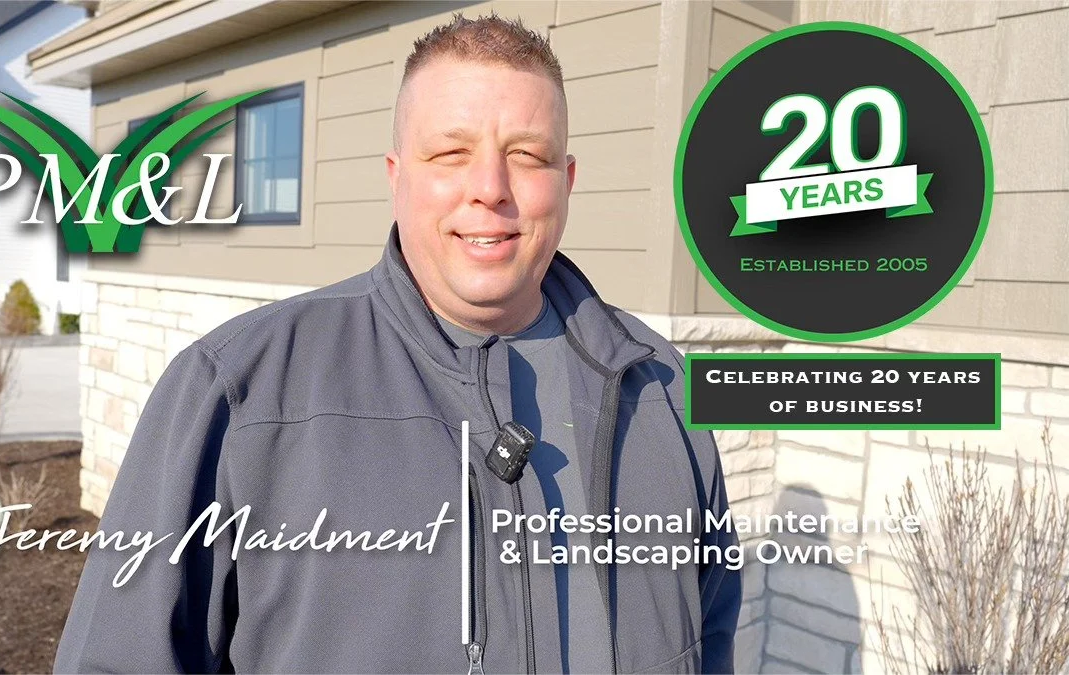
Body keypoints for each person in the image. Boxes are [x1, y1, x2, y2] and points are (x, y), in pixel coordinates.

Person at [54, 13, 740, 675]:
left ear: (566, 182)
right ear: (395, 176)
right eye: (451, 153)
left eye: (526, 156)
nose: (490, 189)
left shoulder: (662, 389)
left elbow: (709, 636)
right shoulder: (240, 393)